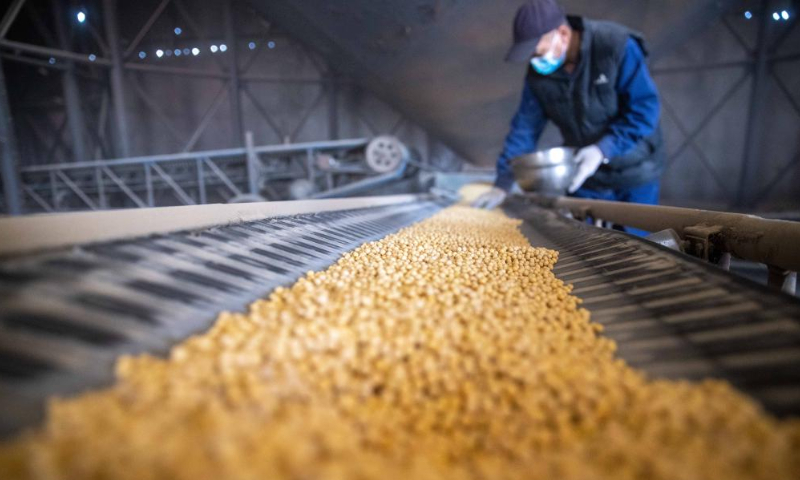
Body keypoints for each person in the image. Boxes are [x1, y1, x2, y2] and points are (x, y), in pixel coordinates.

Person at [473, 0, 664, 235]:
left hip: (634, 173)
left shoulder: (614, 46)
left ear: (562, 33)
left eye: (538, 52)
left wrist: (603, 149)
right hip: (584, 177)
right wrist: (502, 184)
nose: (535, 61)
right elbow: (524, 128)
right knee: (584, 246)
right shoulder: (538, 75)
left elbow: (644, 111)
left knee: (637, 252)